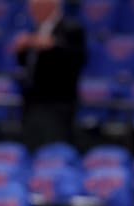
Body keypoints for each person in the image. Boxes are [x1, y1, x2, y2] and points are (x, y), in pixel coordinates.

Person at [12, 0, 86, 149]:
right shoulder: (35, 29)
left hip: (57, 101)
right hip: (32, 100)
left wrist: (53, 45)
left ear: (50, 6)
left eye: (36, 7)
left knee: (54, 147)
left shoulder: (70, 28)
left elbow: (79, 59)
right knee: (31, 144)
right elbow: (29, 63)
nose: (32, 12)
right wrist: (21, 50)